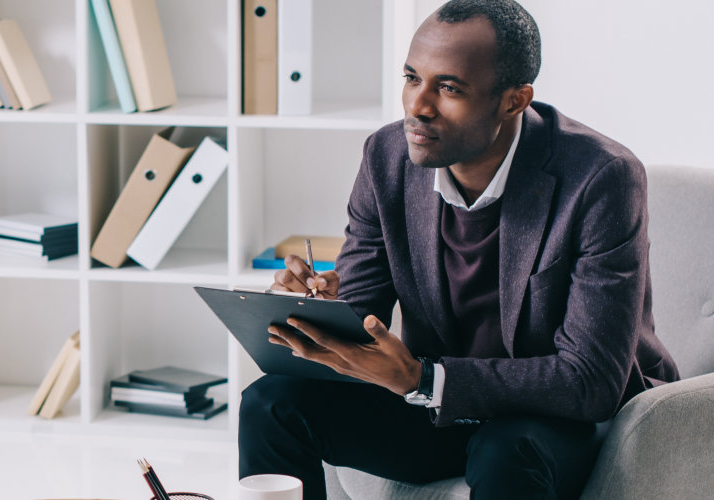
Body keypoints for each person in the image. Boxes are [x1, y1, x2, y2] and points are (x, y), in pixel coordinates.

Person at [237, 1, 679, 499]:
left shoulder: (601, 178)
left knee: (505, 448)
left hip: (564, 417)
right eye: (411, 78)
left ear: (515, 100)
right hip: (435, 404)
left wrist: (425, 378)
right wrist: (319, 314)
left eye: (448, 88)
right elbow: (365, 319)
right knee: (269, 403)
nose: (417, 106)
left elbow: (589, 380)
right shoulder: (387, 158)